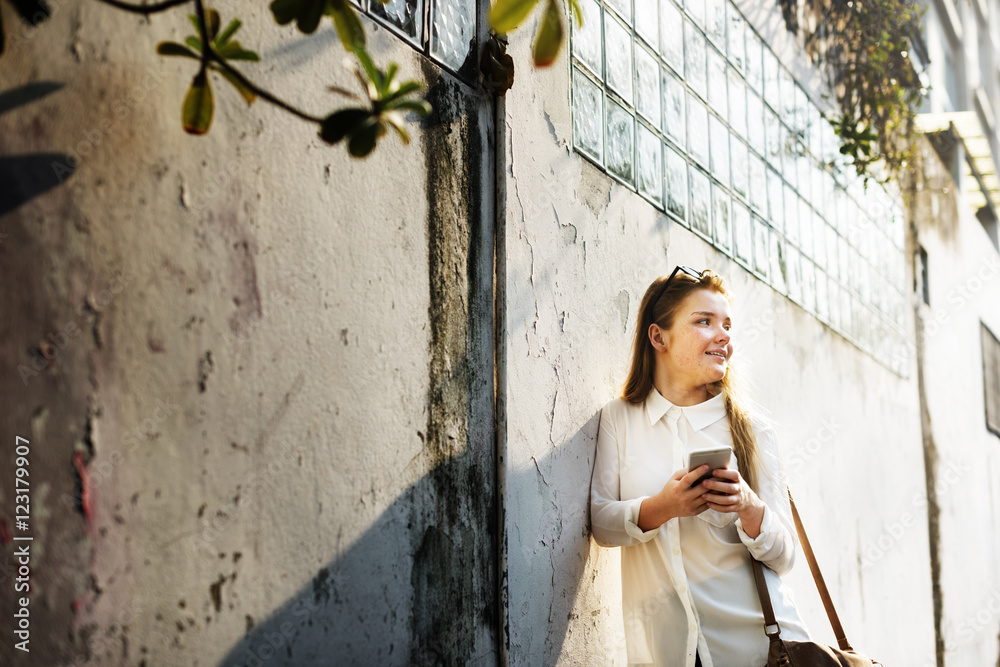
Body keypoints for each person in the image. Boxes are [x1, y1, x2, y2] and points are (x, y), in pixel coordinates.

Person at [590, 266, 811, 667]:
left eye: (727, 324)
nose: (724, 335)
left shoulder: (752, 431)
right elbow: (601, 523)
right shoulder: (619, 419)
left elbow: (786, 558)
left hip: (761, 654)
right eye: (704, 321)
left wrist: (747, 505)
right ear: (659, 337)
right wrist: (664, 506)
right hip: (665, 654)